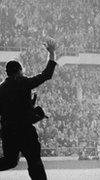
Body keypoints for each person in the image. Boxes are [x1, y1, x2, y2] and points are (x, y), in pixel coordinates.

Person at [0, 39, 57, 179]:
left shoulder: (1, 89)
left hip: (8, 132)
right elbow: (46, 75)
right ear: (19, 71)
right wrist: (52, 53)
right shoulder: (24, 82)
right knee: (34, 162)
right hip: (25, 131)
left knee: (10, 161)